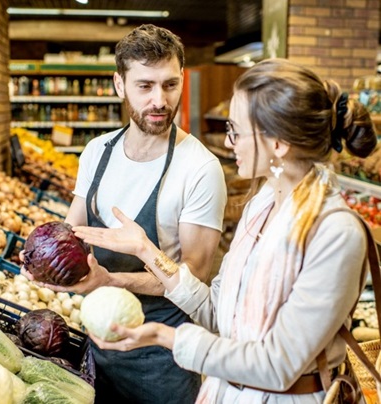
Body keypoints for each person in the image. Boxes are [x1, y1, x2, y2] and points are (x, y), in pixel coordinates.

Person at [70, 58, 378, 403]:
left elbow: (277, 364)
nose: (229, 144)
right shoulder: (261, 206)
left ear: (277, 143)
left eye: (235, 131)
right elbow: (218, 313)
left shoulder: (335, 234)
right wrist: (147, 251)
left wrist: (166, 336)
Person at [22, 24, 227, 403]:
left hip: (163, 360)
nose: (159, 101)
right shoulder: (97, 152)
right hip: (98, 343)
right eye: (144, 86)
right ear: (120, 84)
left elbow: (194, 278)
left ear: (181, 79)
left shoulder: (200, 168)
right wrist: (42, 258)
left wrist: (110, 281)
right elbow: (73, 230)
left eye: (169, 84)